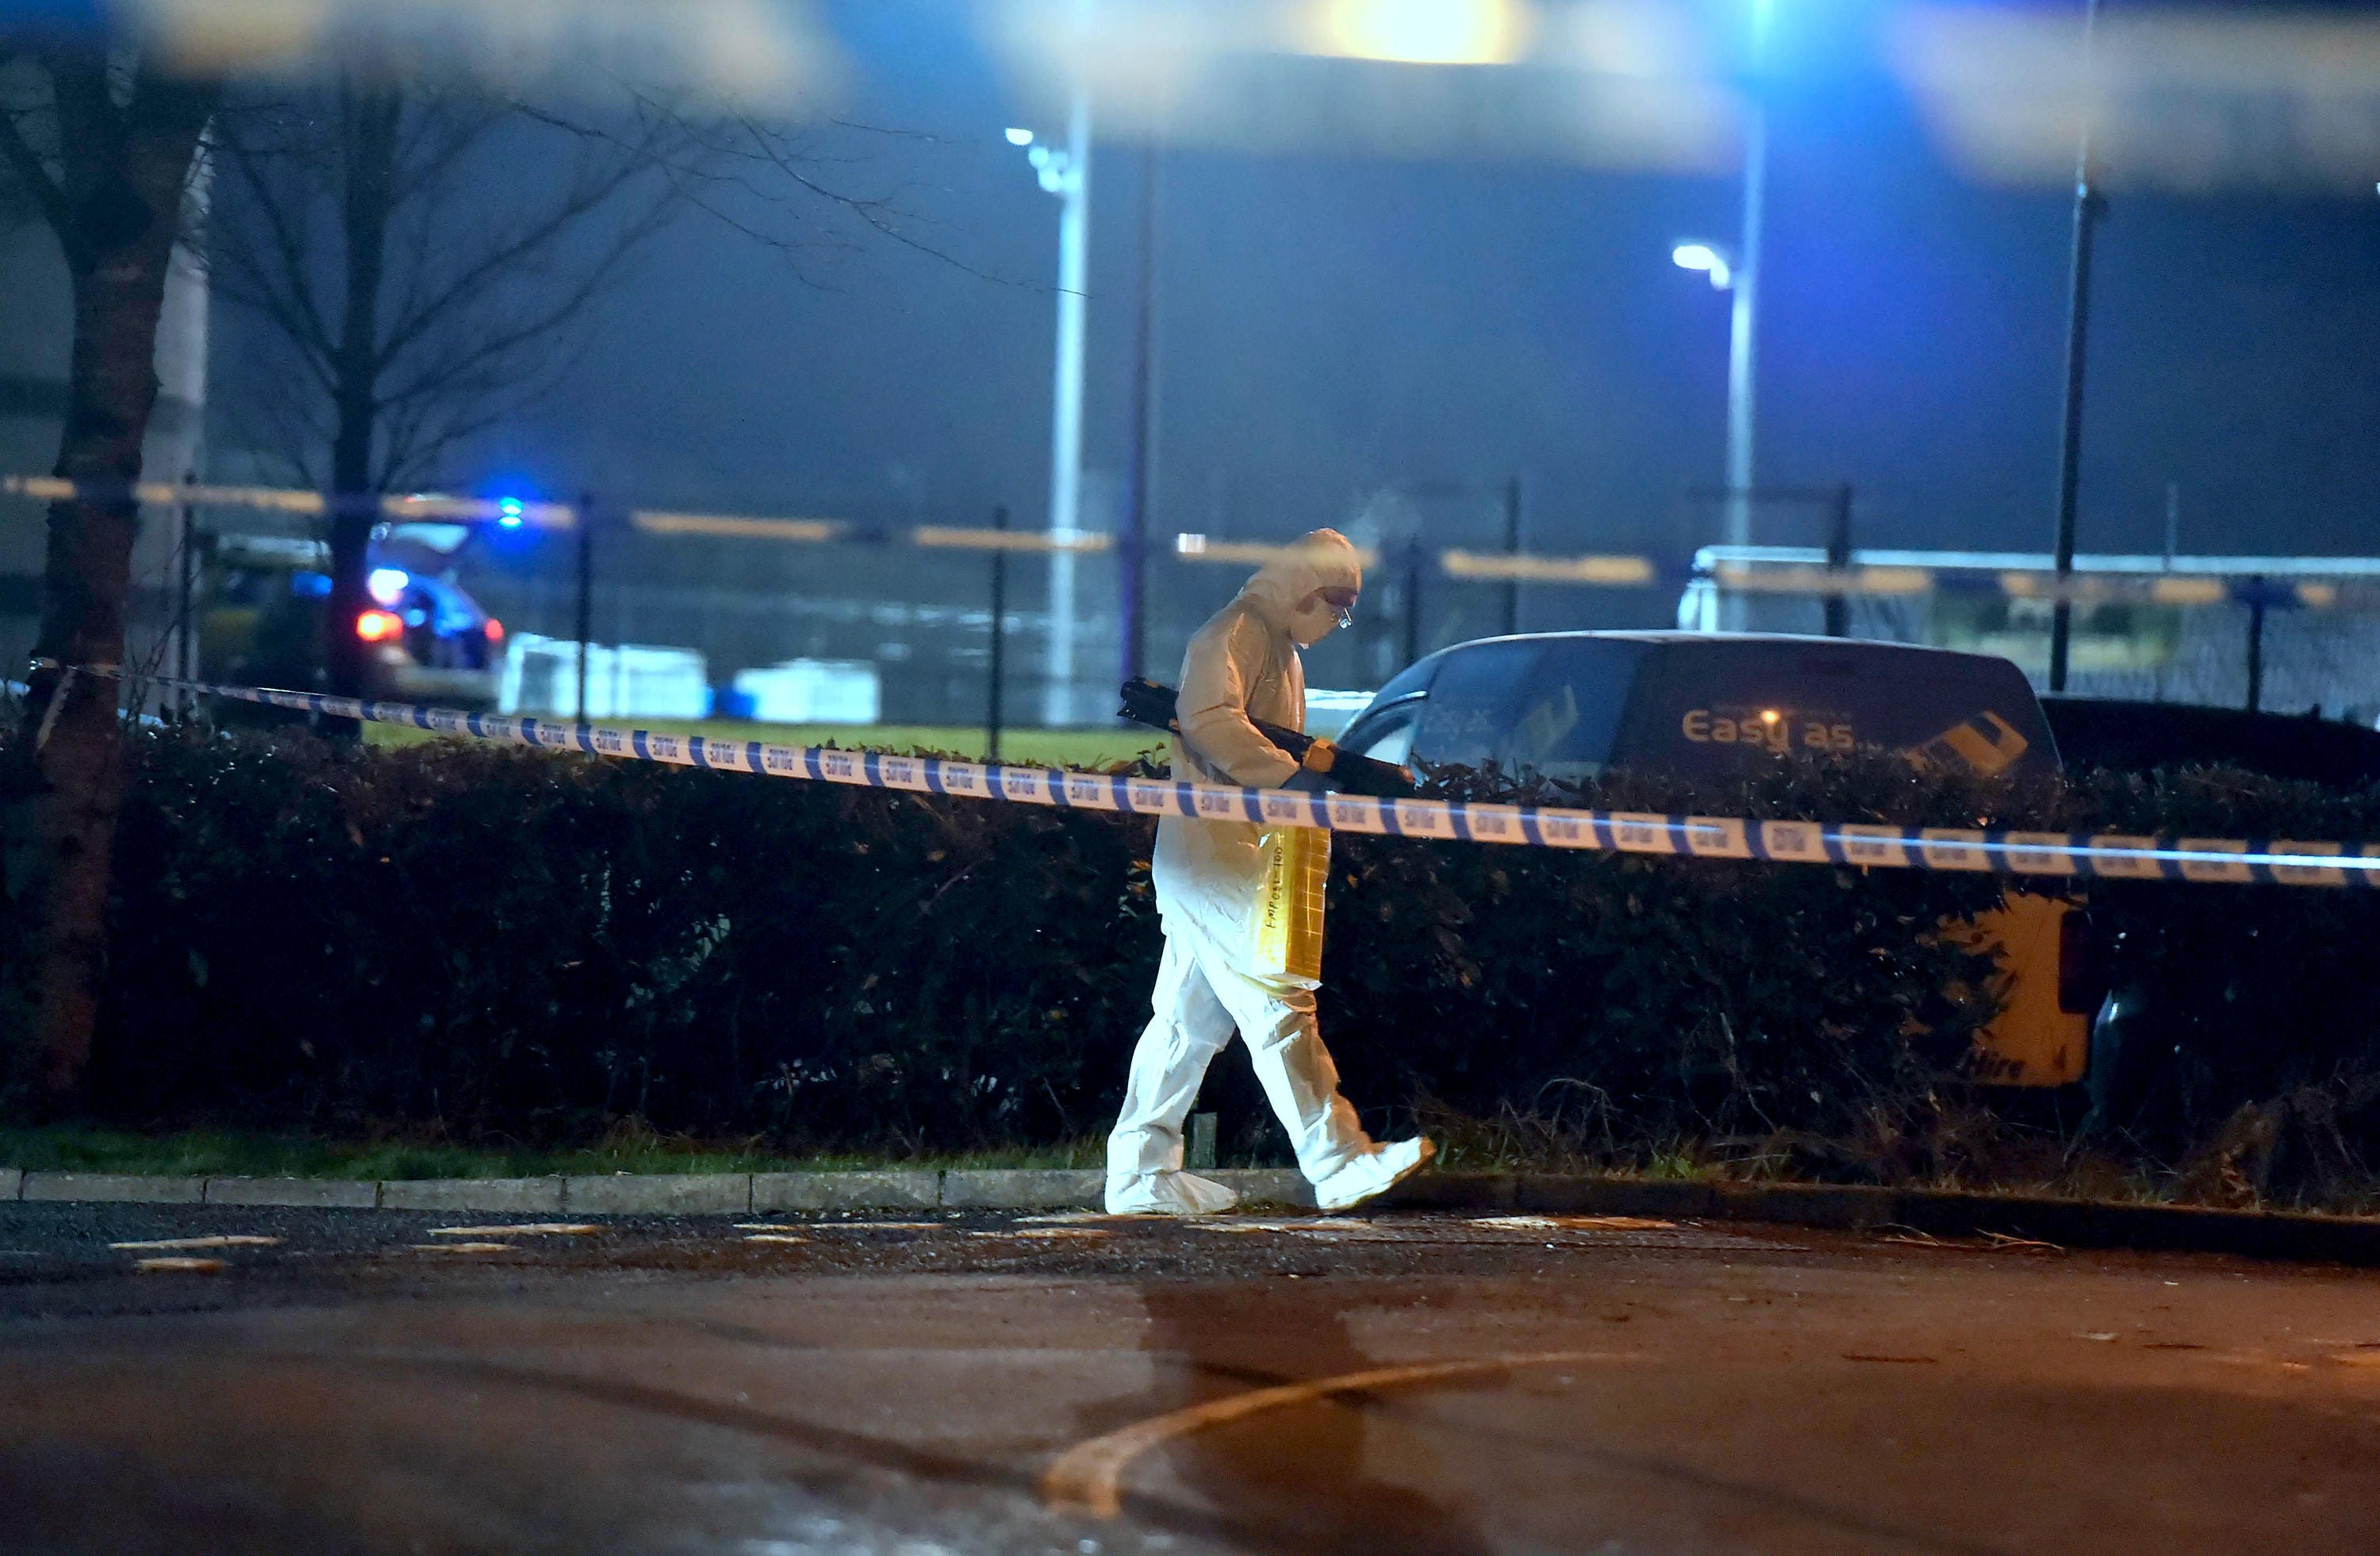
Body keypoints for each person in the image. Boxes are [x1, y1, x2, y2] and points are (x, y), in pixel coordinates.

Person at [1106, 528, 1436, 1216]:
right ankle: (1337, 1160)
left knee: (1181, 1027)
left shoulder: (1275, 646)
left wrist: (1295, 781)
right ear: (1300, 588)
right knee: (1278, 1003)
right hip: (1213, 860)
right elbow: (1207, 718)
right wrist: (1292, 781)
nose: (1338, 620)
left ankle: (1139, 1172)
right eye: (1335, 604)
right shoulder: (1231, 634)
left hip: (1220, 856)